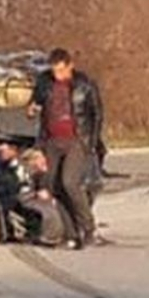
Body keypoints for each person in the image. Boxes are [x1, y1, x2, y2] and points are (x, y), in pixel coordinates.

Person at [29, 48, 105, 248]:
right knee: (53, 187)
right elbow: (36, 106)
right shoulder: (44, 83)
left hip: (76, 140)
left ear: (70, 65)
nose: (58, 75)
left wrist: (91, 143)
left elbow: (96, 114)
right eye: (54, 71)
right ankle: (71, 235)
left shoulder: (85, 85)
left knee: (70, 182)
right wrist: (33, 108)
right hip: (52, 141)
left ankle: (88, 228)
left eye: (61, 70)